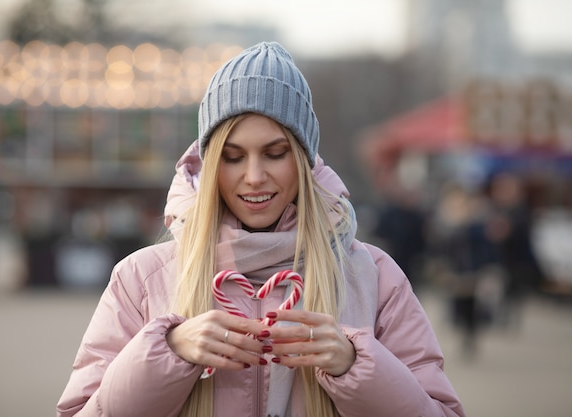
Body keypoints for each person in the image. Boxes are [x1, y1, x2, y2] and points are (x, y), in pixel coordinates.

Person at [56, 42, 465, 417]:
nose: (254, 176)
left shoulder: (373, 277)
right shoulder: (141, 278)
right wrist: (168, 352)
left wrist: (356, 365)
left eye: (275, 153)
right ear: (211, 163)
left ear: (304, 161)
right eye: (232, 157)